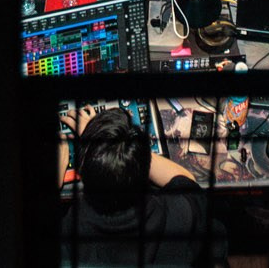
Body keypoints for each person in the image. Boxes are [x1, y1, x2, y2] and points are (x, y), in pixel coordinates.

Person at [60, 105, 228, 266]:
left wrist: (95, 145)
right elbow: (186, 179)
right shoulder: (177, 215)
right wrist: (127, 151)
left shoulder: (69, 231)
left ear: (82, 172)